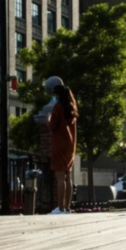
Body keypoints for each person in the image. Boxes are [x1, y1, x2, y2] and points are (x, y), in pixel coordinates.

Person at [47, 84, 78, 215]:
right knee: (68, 176)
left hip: (59, 145)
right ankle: (67, 207)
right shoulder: (72, 109)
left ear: (58, 95)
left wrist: (48, 118)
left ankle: (60, 208)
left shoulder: (57, 107)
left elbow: (52, 125)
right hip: (70, 147)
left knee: (60, 176)